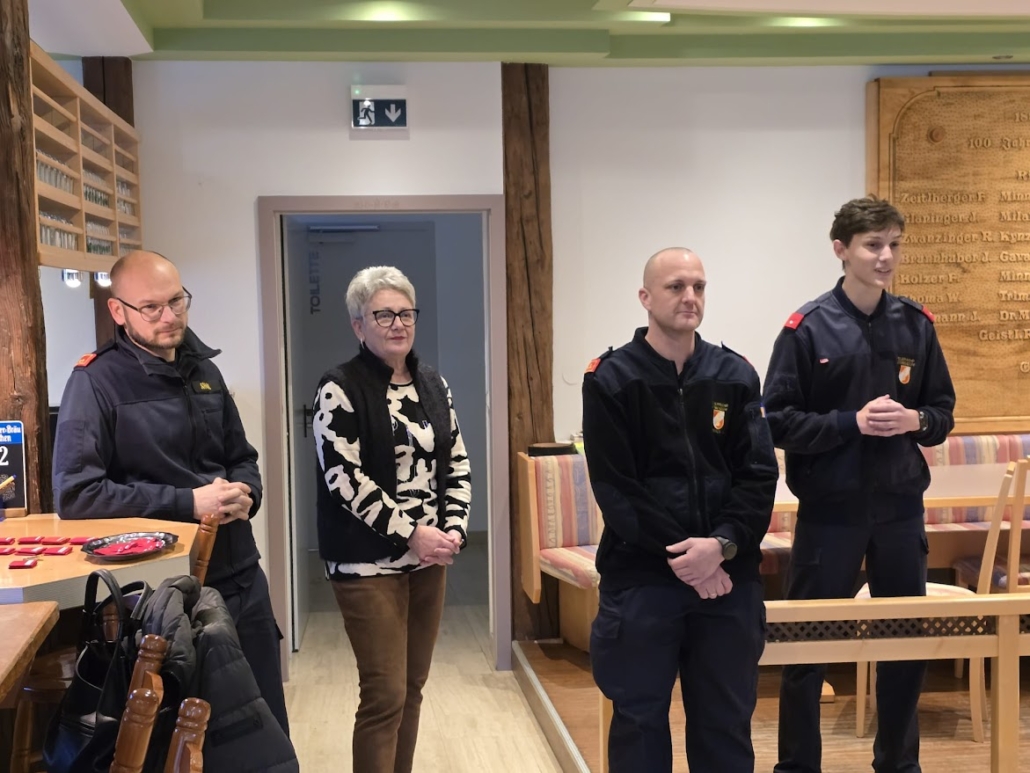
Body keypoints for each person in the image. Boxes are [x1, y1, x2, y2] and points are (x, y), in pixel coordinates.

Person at [51, 251, 290, 738]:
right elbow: (77, 495)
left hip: (240, 571)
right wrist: (188, 503)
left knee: (265, 724)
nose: (169, 316)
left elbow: (241, 456)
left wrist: (248, 492)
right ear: (118, 311)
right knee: (191, 738)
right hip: (163, 593)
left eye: (177, 301)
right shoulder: (94, 382)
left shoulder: (205, 369)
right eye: (151, 308)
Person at [764, 196, 956, 773]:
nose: (886, 256)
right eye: (873, 245)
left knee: (905, 644)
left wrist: (915, 420)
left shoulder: (916, 325)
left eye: (894, 244)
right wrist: (851, 423)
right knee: (807, 647)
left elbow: (942, 413)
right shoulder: (806, 329)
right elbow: (778, 421)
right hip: (831, 512)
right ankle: (798, 766)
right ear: (841, 250)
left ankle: (898, 764)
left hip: (900, 509)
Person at [582, 247, 777, 773]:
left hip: (728, 582)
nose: (690, 297)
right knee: (639, 725)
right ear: (646, 297)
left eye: (698, 286)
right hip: (643, 581)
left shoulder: (735, 374)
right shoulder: (610, 378)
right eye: (675, 287)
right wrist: (689, 559)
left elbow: (758, 475)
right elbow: (618, 488)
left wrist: (721, 546)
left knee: (725, 726)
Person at [311, 265, 471, 773]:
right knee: (385, 695)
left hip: (427, 560)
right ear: (359, 325)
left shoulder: (432, 383)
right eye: (383, 315)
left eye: (406, 313)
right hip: (366, 564)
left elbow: (456, 462)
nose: (398, 323)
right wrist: (411, 534)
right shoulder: (338, 388)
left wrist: (453, 527)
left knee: (412, 688)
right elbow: (345, 480)